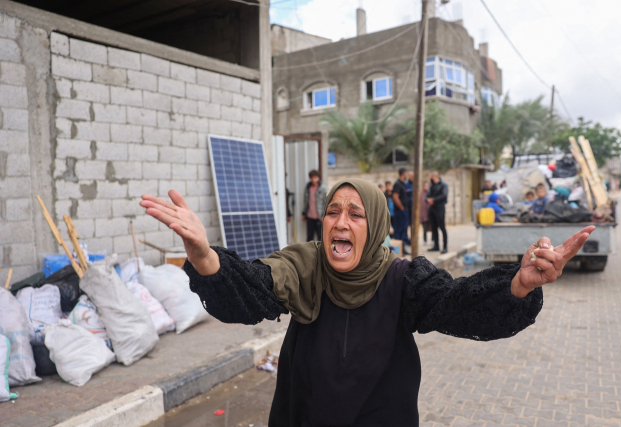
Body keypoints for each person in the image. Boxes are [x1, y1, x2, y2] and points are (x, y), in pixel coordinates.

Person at [140, 181, 595, 426]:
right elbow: (251, 289)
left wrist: (518, 284)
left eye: (355, 214)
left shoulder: (403, 278)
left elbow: (458, 303)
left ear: (374, 224)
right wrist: (204, 255)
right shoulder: (302, 267)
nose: (341, 221)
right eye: (333, 211)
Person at [426, 171, 449, 254]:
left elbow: (444, 195)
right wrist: (428, 200)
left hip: (440, 208)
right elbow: (427, 195)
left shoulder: (443, 184)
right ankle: (436, 246)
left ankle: (445, 247)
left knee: (442, 227)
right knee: (434, 227)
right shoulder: (431, 185)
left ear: (434, 176)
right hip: (432, 208)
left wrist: (434, 200)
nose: (429, 179)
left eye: (431, 177)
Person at [302, 170, 327, 242]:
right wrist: (304, 213)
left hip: (319, 217)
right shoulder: (307, 188)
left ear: (318, 178)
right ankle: (309, 253)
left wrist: (323, 215)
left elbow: (326, 202)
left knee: (320, 237)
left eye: (315, 177)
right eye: (312, 178)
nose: (314, 180)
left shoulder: (322, 188)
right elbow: (305, 201)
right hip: (310, 216)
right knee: (309, 237)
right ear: (310, 178)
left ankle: (320, 253)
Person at [392, 168, 411, 254]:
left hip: (404, 211)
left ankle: (402, 249)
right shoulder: (398, 184)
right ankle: (397, 251)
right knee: (398, 231)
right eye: (406, 173)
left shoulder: (403, 184)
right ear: (403, 173)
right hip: (400, 212)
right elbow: (395, 197)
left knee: (404, 231)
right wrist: (402, 209)